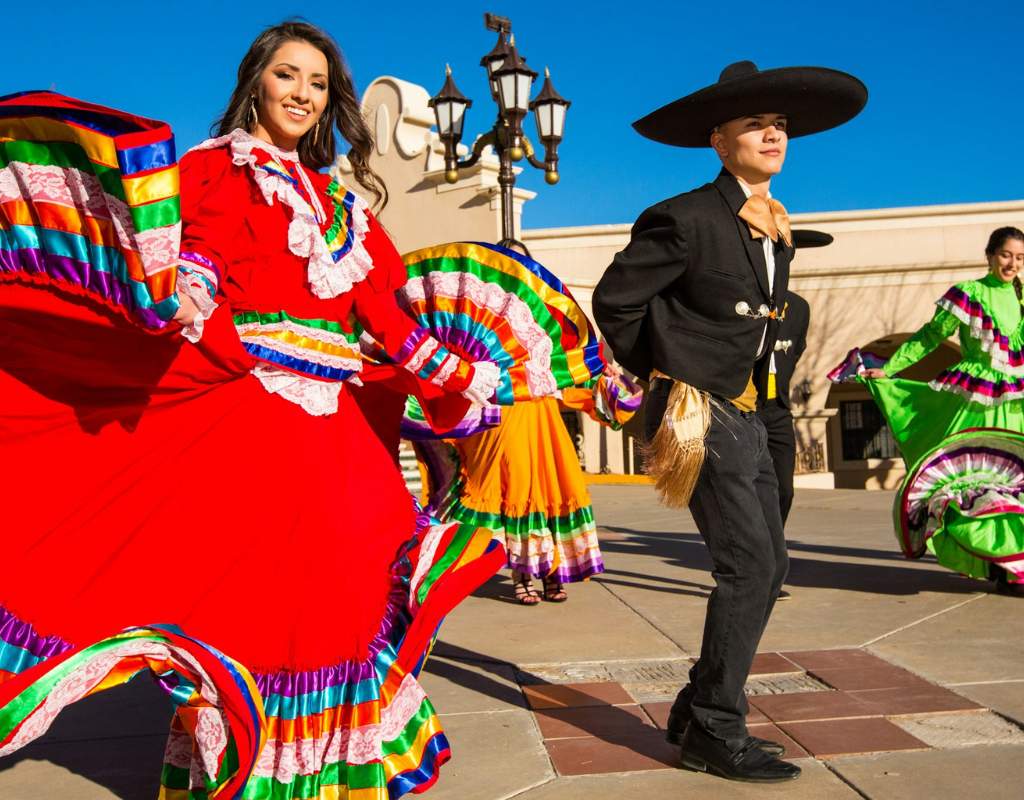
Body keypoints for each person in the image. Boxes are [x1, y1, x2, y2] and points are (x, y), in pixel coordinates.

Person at [0, 21, 506, 799]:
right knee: (271, 602)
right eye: (287, 76)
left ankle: (331, 770)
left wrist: (458, 377)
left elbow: (387, 315)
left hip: (339, 429)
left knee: (358, 577)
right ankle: (256, 767)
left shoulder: (345, 203)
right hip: (259, 418)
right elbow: (198, 257)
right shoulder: (219, 170)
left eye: (317, 82)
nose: (302, 93)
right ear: (256, 84)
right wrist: (185, 296)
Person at [593, 61, 866, 782]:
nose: (774, 132)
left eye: (779, 124)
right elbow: (615, 303)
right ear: (718, 141)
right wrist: (670, 367)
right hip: (696, 409)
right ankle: (716, 728)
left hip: (750, 413)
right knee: (748, 568)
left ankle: (697, 705)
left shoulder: (774, 227)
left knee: (770, 564)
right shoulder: (683, 217)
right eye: (755, 124)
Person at [857, 226, 1024, 595]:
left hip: (1017, 402)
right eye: (1006, 255)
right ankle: (995, 563)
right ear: (990, 255)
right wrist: (892, 368)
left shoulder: (1022, 298)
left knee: (1015, 484)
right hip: (976, 401)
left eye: (1019, 257)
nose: (1012, 263)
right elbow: (931, 336)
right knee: (980, 482)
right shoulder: (969, 294)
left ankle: (1015, 566)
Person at [442, 367, 641, 605]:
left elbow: (570, 361)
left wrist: (597, 367)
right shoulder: (492, 331)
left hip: (544, 416)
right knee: (519, 487)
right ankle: (522, 572)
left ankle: (552, 570)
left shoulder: (548, 331)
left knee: (553, 490)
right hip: (508, 411)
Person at [756, 230, 832, 600]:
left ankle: (766, 559)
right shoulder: (744, 301)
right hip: (742, 410)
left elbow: (796, 349)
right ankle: (759, 569)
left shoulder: (798, 308)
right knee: (751, 493)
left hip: (777, 411)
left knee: (783, 491)